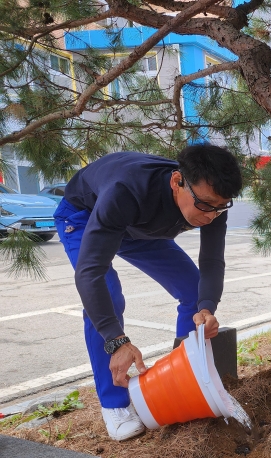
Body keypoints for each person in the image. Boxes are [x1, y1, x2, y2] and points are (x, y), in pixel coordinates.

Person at [54, 144, 243, 441]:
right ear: (177, 181)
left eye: (221, 207)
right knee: (107, 297)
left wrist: (206, 307)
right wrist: (116, 341)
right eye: (206, 205)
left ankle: (184, 382)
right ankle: (115, 405)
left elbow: (211, 260)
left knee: (195, 292)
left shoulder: (212, 203)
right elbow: (90, 273)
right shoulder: (125, 190)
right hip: (85, 216)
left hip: (140, 228)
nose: (211, 216)